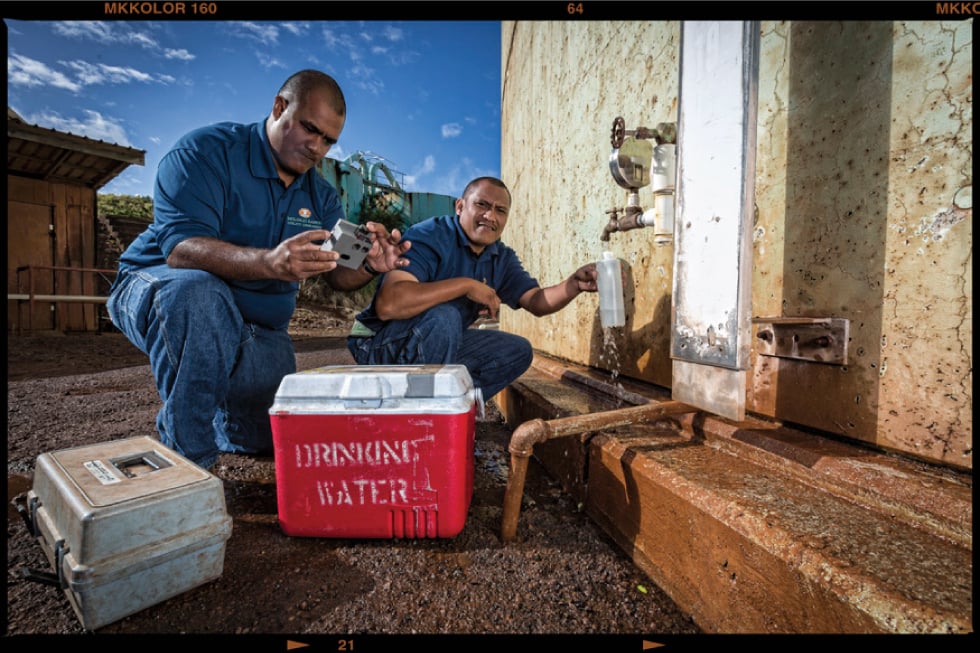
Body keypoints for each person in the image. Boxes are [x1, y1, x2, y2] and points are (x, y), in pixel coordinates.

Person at [107, 69, 410, 470]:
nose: (318, 147)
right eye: (309, 129)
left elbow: (339, 275)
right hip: (160, 288)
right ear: (279, 107)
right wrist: (269, 262)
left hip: (255, 326)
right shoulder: (203, 152)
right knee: (197, 295)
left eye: (329, 140)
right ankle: (188, 464)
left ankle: (220, 414)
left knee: (264, 438)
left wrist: (371, 267)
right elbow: (181, 250)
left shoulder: (322, 195)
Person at [347, 176, 598, 402]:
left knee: (517, 350)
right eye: (482, 205)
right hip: (377, 342)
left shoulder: (501, 257)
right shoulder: (429, 234)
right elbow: (389, 304)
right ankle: (420, 417)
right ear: (460, 207)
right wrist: (465, 285)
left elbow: (536, 301)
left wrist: (573, 284)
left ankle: (455, 407)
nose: (491, 216)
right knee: (445, 317)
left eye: (500, 210)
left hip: (437, 341)